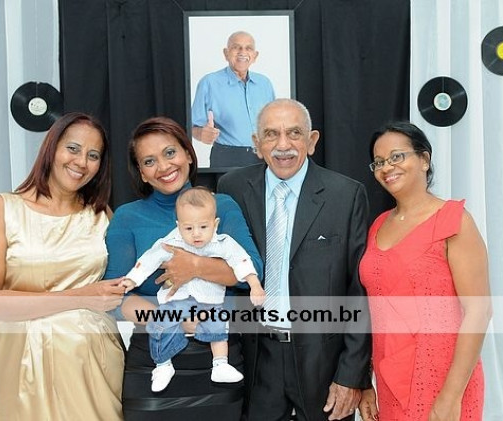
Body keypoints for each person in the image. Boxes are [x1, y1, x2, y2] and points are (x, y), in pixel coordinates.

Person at [217, 98, 372, 421]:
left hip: (323, 362)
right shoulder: (232, 188)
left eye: (294, 133)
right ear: (257, 144)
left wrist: (351, 374)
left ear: (312, 141)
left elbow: (359, 291)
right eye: (271, 134)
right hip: (255, 359)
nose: (283, 145)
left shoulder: (346, 195)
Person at [103, 116, 263, 421]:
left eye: (170, 152)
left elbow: (251, 272)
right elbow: (114, 297)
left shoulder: (222, 206)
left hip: (217, 359)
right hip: (152, 360)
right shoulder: (127, 217)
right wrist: (174, 319)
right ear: (141, 173)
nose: (163, 166)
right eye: (149, 161)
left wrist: (194, 266)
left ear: (188, 154)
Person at [0, 112, 126, 421]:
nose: (81, 162)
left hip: (94, 362)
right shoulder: (3, 209)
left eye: (93, 155)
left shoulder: (101, 216)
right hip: (24, 365)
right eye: (73, 148)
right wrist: (80, 297)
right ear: (51, 148)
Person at [358, 121, 492, 421]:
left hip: (444, 380)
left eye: (396, 156)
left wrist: (450, 397)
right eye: (379, 162)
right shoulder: (377, 225)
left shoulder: (454, 220)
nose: (386, 167)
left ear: (424, 159)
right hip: (389, 379)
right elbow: (372, 310)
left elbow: (479, 311)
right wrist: (365, 381)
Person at [120, 186, 265, 392]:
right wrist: (132, 279)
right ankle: (163, 365)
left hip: (209, 301)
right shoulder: (171, 242)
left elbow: (243, 261)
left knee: (218, 325)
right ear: (178, 225)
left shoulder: (223, 243)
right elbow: (149, 259)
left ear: (215, 224)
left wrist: (255, 286)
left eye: (203, 227)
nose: (196, 234)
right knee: (161, 324)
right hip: (176, 299)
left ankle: (220, 364)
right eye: (188, 228)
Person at [191, 30, 275, 168]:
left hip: (264, 156)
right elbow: (192, 127)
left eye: (248, 48)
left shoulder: (264, 83)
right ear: (226, 53)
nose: (242, 52)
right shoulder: (209, 83)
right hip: (227, 157)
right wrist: (201, 134)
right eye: (236, 47)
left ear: (255, 56)